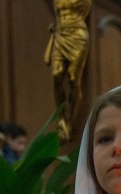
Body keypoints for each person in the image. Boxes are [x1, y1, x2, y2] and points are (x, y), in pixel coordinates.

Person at [44, 0, 91, 141]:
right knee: (56, 75)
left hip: (78, 34)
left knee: (72, 79)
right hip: (61, 34)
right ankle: (61, 118)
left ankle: (70, 122)